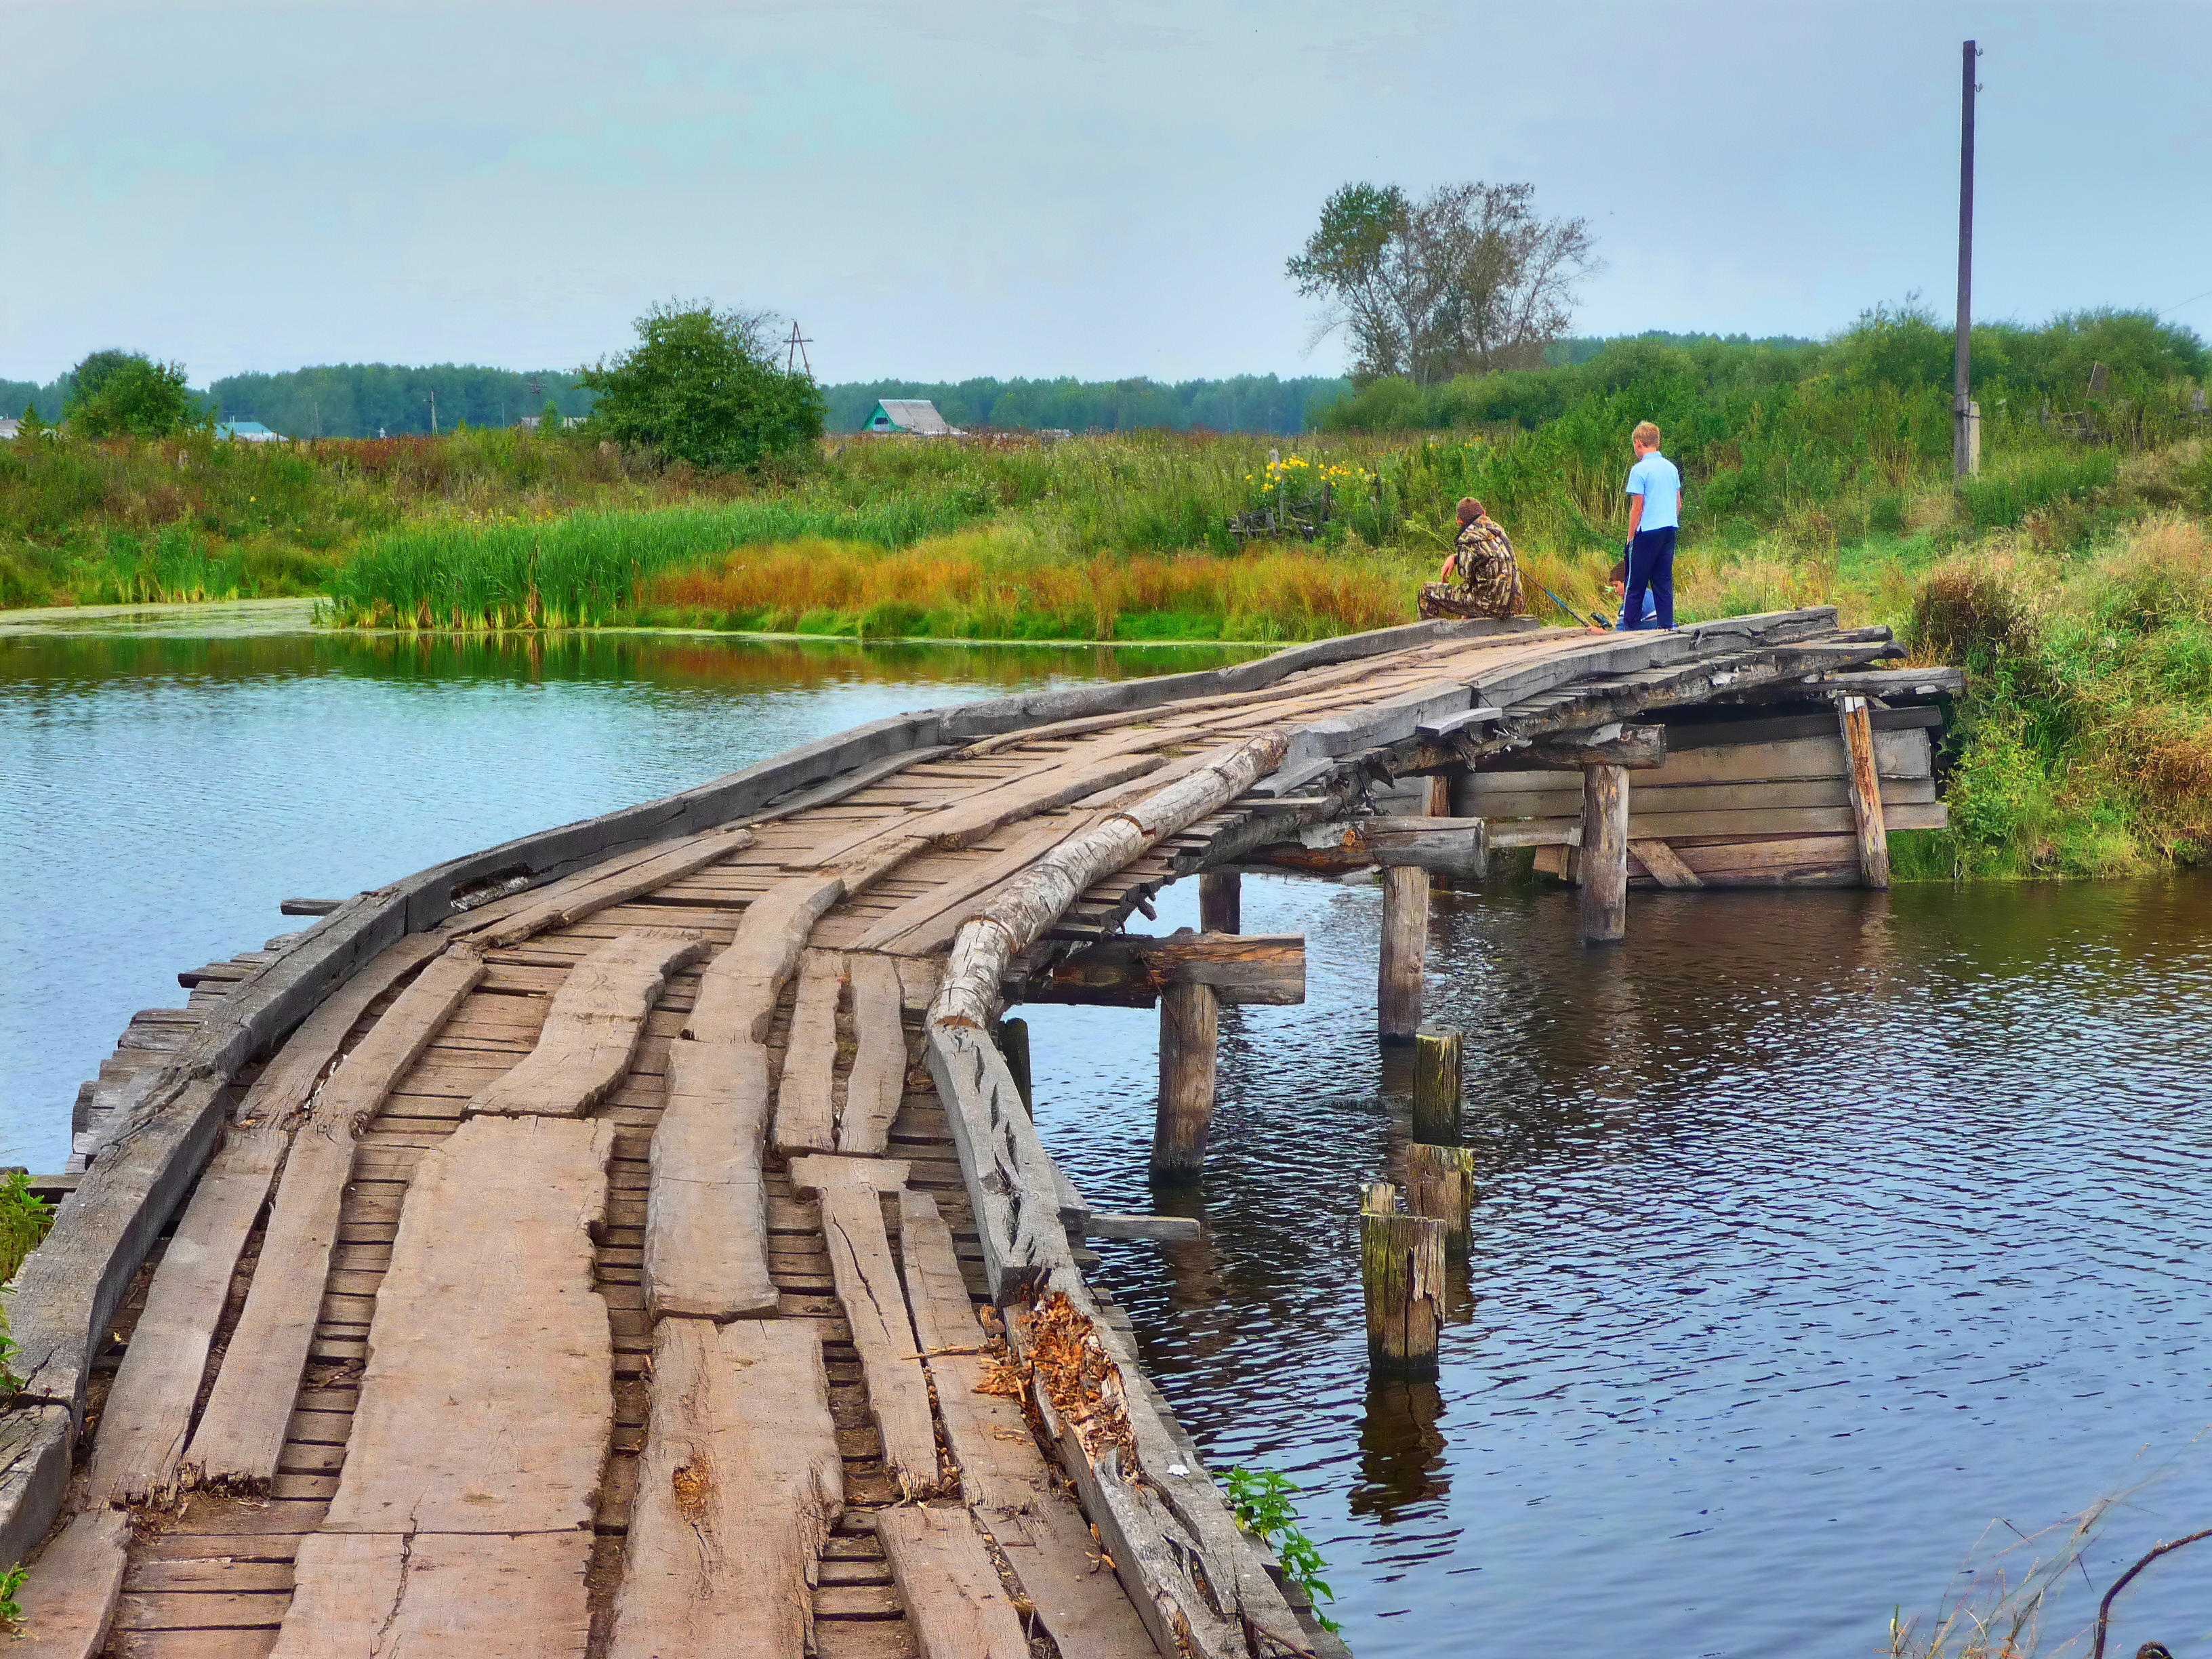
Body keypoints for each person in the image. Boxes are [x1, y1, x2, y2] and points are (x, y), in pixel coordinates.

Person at [1418, 497, 1525, 621]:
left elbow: (1467, 578)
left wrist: (1466, 610)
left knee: (1427, 591)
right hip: (1514, 605)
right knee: (1480, 590)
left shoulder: (1467, 539)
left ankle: (1430, 636)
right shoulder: (1498, 532)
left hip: (1488, 607)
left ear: (1459, 520)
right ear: (1484, 513)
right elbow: (1486, 556)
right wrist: (1456, 558)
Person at [1620, 420, 1681, 630]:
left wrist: (1630, 538)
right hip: (1669, 528)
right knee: (1663, 581)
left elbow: (1638, 508)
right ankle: (1666, 626)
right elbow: (1678, 504)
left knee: (1635, 583)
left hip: (1647, 531)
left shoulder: (1639, 470)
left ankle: (1629, 627)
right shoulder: (1671, 468)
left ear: (1639, 444)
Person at [1610, 559, 1660, 629]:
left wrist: (1602, 634)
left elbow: (1620, 633)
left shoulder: (1631, 602)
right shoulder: (1651, 594)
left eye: (1616, 585)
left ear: (1627, 582)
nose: (1616, 590)